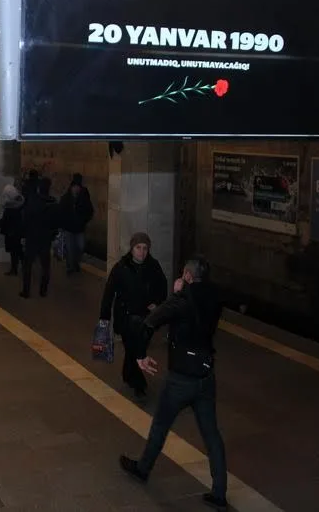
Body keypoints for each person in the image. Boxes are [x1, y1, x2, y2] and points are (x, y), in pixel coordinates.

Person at [118, 256, 228, 512]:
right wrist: (186, 290)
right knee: (212, 434)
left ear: (188, 276)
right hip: (205, 376)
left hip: (181, 378)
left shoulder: (181, 301)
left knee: (160, 425)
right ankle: (219, 492)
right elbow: (202, 300)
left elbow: (151, 321)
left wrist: (141, 356)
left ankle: (143, 469)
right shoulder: (214, 297)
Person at [99, 232, 168, 399]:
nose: (142, 252)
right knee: (134, 348)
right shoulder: (121, 267)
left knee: (136, 349)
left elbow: (162, 287)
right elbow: (109, 293)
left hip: (146, 318)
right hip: (126, 318)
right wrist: (105, 317)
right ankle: (139, 384)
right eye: (138, 248)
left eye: (145, 248)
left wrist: (156, 302)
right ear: (132, 248)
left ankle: (127, 373)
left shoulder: (153, 266)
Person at [21, 178, 58, 298]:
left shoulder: (32, 201)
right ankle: (43, 290)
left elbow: (26, 219)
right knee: (45, 266)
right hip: (45, 239)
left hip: (32, 237)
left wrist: (24, 234)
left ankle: (26, 290)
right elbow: (55, 222)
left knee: (27, 265)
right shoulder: (52, 203)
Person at [58, 173, 94, 274]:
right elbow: (61, 211)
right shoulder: (66, 198)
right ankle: (70, 267)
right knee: (70, 248)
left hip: (79, 228)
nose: (76, 189)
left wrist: (84, 220)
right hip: (69, 228)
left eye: (78, 187)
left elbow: (90, 210)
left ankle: (75, 262)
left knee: (80, 246)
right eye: (75, 187)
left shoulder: (84, 196)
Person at [0, 183, 25, 276]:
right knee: (17, 251)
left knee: (15, 251)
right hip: (16, 232)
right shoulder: (20, 204)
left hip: (11, 232)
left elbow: (7, 220)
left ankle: (15, 269)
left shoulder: (11, 207)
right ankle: (21, 267)